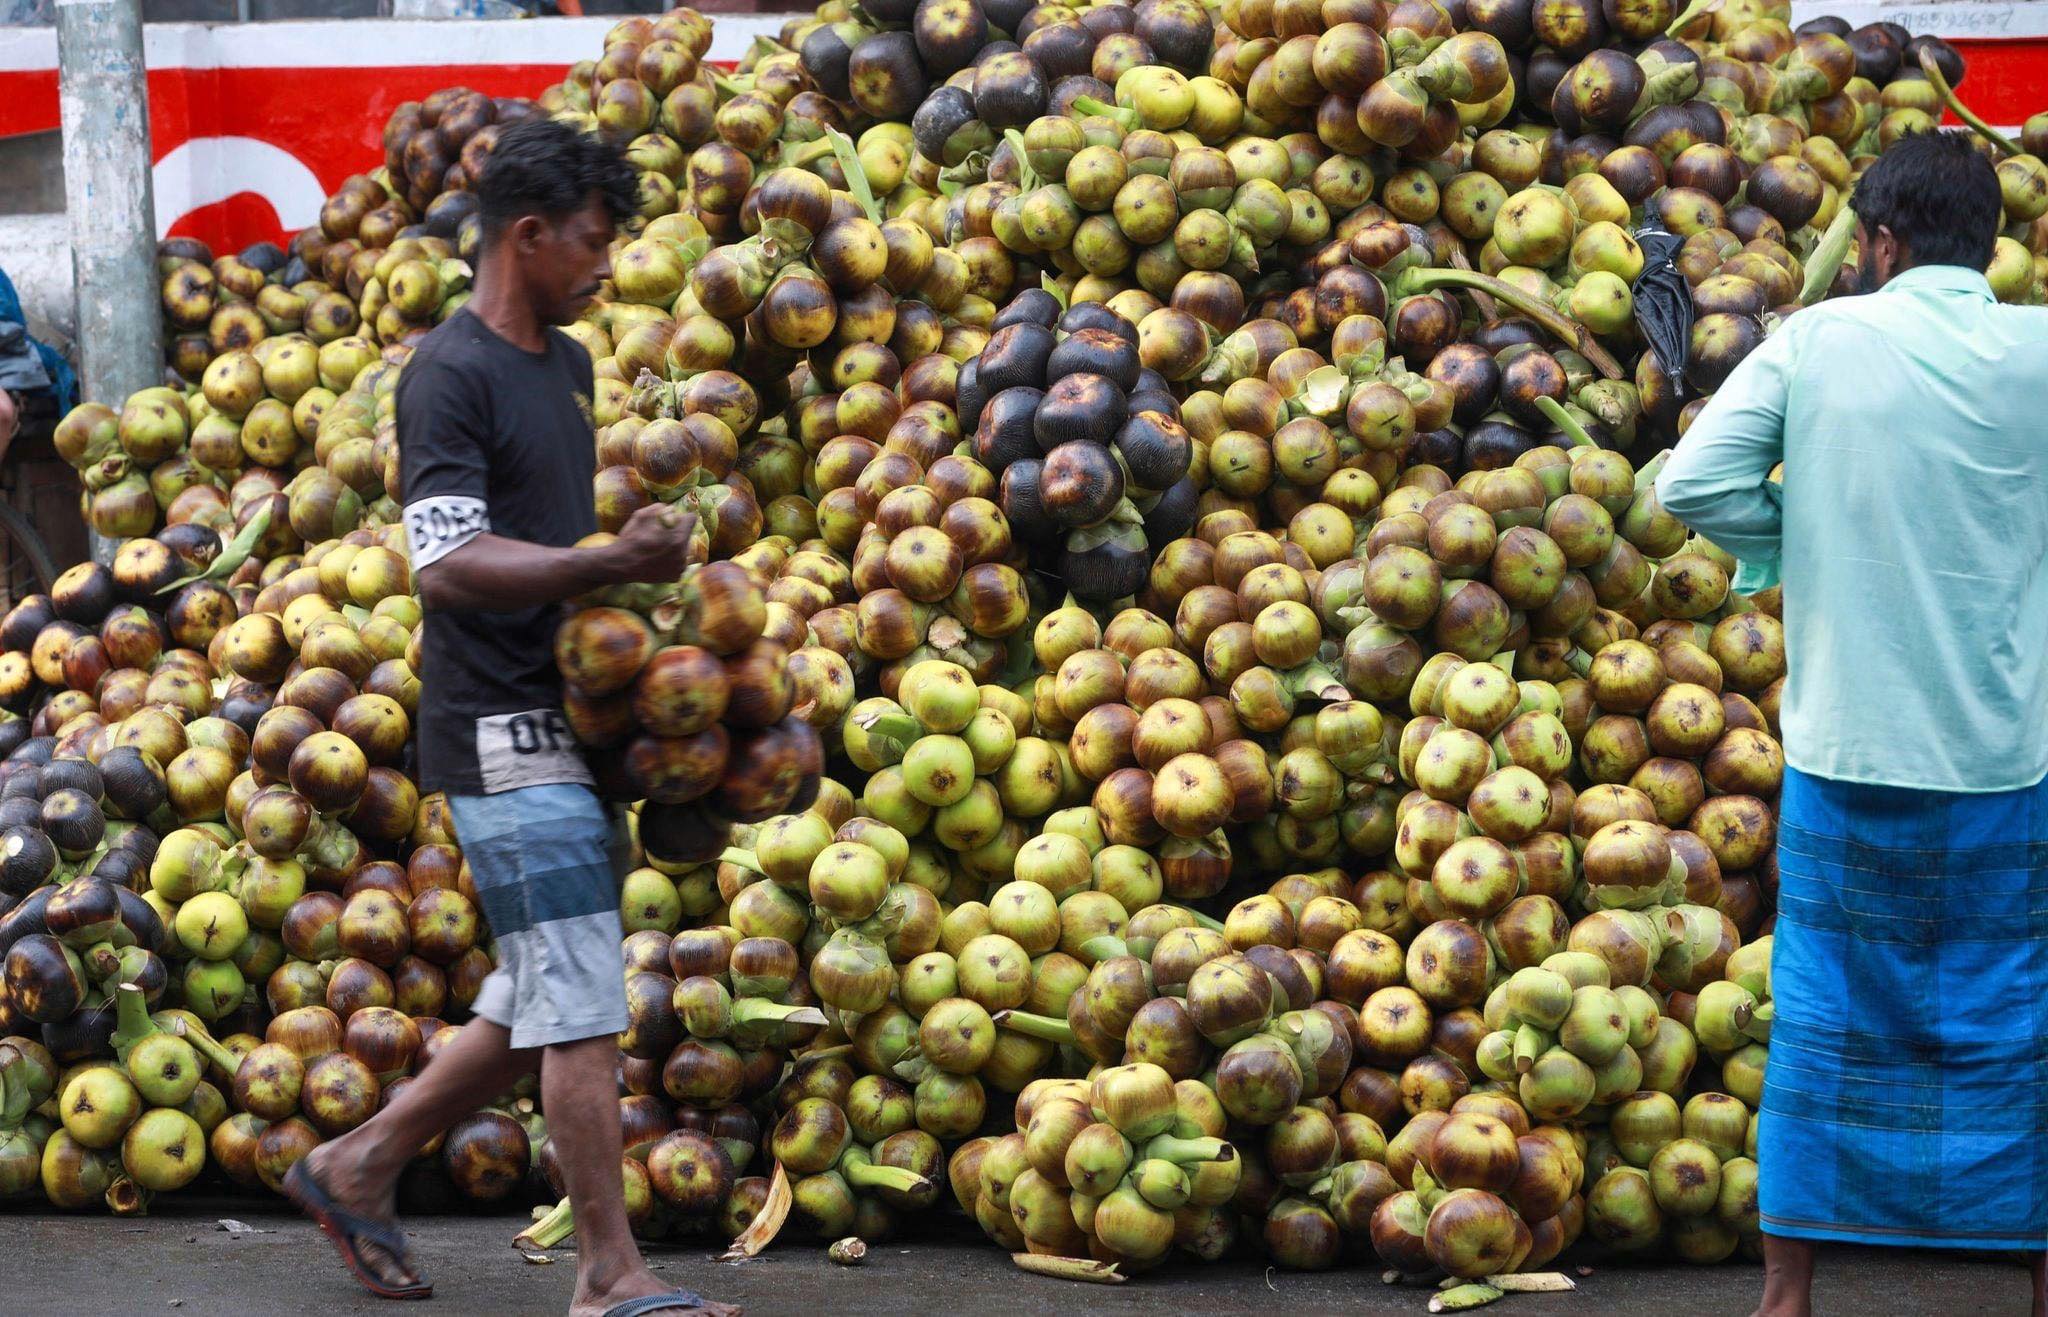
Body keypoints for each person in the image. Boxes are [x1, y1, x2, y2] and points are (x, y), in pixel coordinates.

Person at [282, 118, 738, 1317]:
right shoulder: (450, 373)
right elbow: (445, 564)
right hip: (500, 732)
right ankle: (607, 1274)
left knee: (540, 992)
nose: (607, 263)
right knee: (578, 1001)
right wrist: (603, 563)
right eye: (591, 240)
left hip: (565, 724)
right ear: (526, 236)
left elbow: (548, 547)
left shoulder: (569, 366)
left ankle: (356, 1162)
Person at [1656, 129, 2048, 1317]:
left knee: (1823, 1019)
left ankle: (1787, 1296)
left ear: (1877, 243)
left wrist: (1801, 537)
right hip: (2003, 754)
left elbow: (1688, 484)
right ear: (1987, 244)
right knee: (2014, 1018)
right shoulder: (2039, 351)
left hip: (1846, 752)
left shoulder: (1816, 340)